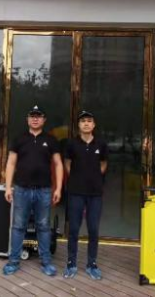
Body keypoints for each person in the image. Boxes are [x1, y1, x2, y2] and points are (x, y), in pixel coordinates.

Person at [2, 105, 64, 276]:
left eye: (39, 116)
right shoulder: (19, 139)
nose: (35, 119)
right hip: (21, 190)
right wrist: (8, 187)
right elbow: (11, 164)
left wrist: (58, 188)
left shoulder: (51, 140)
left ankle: (46, 262)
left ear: (44, 120)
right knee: (18, 226)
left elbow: (58, 164)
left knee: (43, 227)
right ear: (27, 119)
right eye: (32, 116)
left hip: (44, 191)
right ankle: (13, 262)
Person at [63, 110, 108, 280]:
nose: (86, 123)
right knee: (74, 229)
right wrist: (78, 178)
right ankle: (71, 263)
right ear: (79, 125)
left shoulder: (101, 144)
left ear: (94, 125)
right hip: (76, 192)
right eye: (83, 121)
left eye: (89, 121)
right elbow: (67, 164)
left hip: (95, 193)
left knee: (93, 229)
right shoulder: (71, 144)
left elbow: (103, 164)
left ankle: (92, 264)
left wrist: (94, 177)